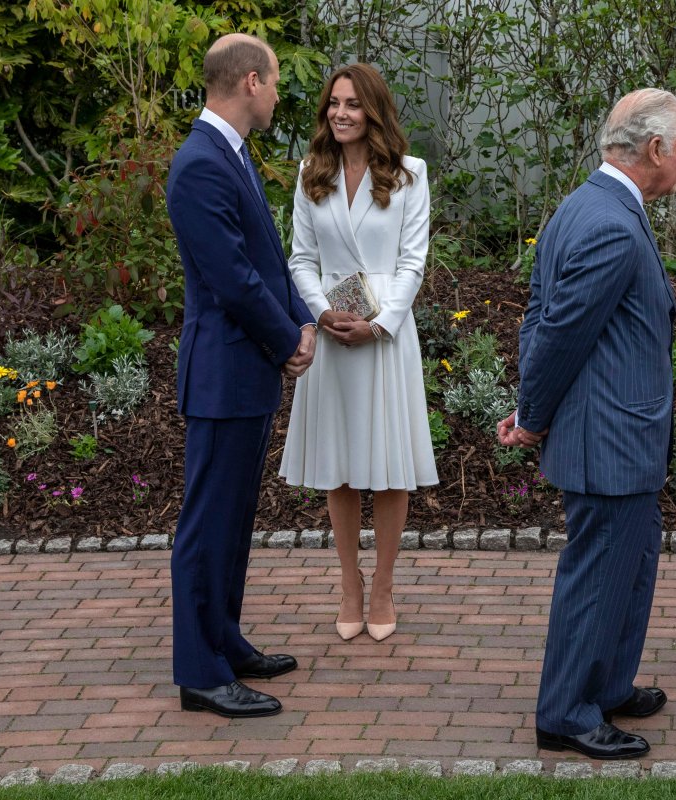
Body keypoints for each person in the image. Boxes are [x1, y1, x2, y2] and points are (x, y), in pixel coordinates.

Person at [495, 88, 676, 760]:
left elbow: (538, 316)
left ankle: (607, 685)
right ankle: (567, 715)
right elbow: (556, 332)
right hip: (609, 439)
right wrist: (533, 415)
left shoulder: (586, 206)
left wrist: (534, 406)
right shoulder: (608, 221)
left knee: (629, 566)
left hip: (617, 435)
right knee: (600, 572)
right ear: (657, 149)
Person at [166, 33, 317, 719]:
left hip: (248, 369)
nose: (281, 93)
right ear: (250, 81)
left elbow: (267, 258)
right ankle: (201, 674)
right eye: (277, 80)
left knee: (233, 521)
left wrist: (300, 321)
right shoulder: (200, 164)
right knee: (207, 525)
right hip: (224, 373)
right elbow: (229, 278)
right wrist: (286, 338)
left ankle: (224, 641)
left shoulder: (232, 155)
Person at [279, 63, 437, 642]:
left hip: (385, 339)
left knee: (389, 468)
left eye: (351, 104)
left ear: (373, 109)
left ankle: (385, 586)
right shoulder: (309, 173)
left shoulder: (410, 175)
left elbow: (412, 261)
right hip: (333, 334)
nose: (339, 114)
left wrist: (381, 323)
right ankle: (349, 585)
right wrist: (322, 313)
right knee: (340, 468)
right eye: (333, 104)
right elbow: (299, 258)